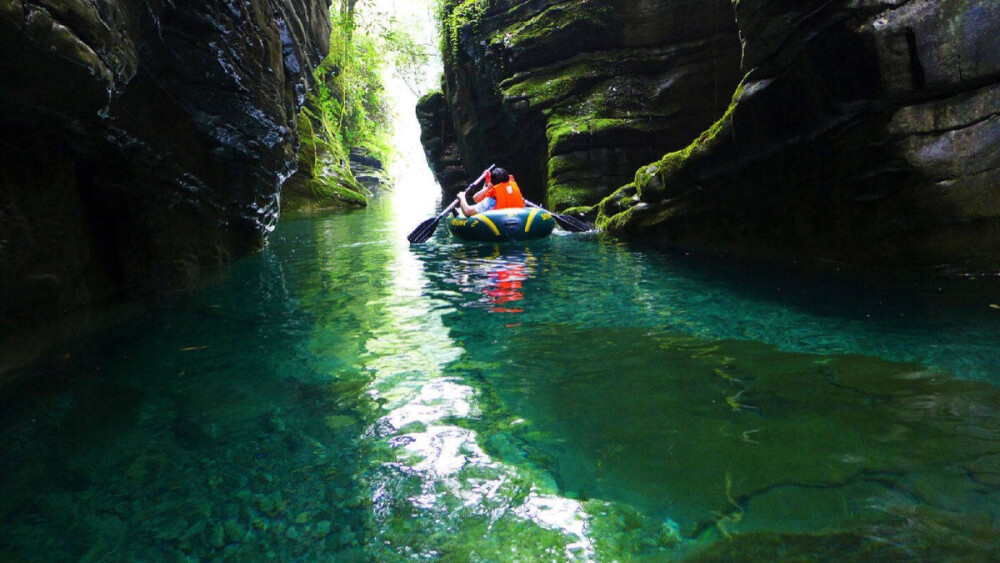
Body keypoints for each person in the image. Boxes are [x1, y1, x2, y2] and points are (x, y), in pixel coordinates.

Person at [457, 167, 525, 216]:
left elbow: (467, 211)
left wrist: (462, 197)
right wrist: (487, 182)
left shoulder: (490, 201)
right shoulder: (519, 196)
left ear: (493, 184)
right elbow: (476, 198)